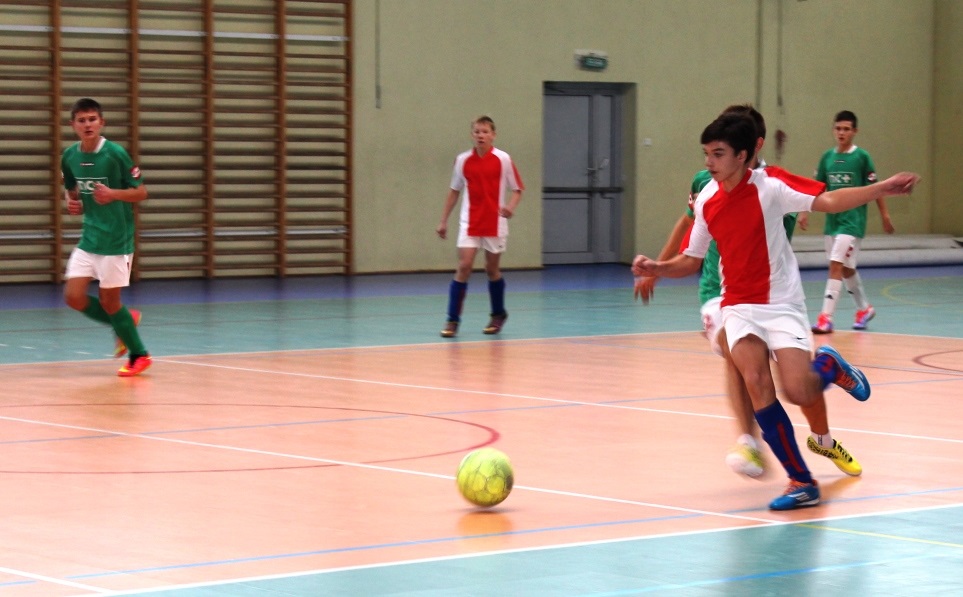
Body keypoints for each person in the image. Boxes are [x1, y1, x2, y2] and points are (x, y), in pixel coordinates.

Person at [632, 111, 919, 510]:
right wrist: (657, 268)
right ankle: (801, 481)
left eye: (718, 154)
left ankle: (829, 366)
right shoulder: (708, 199)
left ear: (743, 155)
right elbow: (691, 259)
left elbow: (829, 200)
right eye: (706, 154)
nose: (709, 162)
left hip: (781, 303)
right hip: (738, 305)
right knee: (755, 380)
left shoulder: (772, 186)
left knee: (798, 390)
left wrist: (882, 188)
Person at [62, 97, 152, 377]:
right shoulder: (70, 156)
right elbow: (72, 189)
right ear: (73, 125)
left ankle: (139, 355)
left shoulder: (115, 154)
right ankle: (124, 321)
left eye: (92, 119)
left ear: (101, 122)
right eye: (82, 120)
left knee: (109, 302)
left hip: (116, 240)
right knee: (73, 297)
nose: (87, 124)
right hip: (90, 237)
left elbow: (141, 192)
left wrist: (113, 194)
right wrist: (72, 202)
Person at [805, 110, 894, 334]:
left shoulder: (862, 157)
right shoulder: (827, 157)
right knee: (846, 269)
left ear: (854, 131)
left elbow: (876, 189)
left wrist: (885, 215)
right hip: (832, 222)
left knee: (835, 265)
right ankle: (864, 309)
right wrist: (805, 211)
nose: (841, 133)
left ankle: (825, 317)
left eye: (846, 129)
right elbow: (816, 188)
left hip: (852, 222)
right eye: (838, 129)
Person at [436, 115, 524, 338]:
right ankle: (452, 320)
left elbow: (517, 189)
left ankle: (498, 314)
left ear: (493, 135)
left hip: (495, 221)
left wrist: (510, 207)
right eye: (477, 132)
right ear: (472, 135)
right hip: (469, 221)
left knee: (491, 269)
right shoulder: (462, 160)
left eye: (485, 132)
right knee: (464, 266)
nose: (480, 135)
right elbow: (454, 191)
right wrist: (443, 220)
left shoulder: (503, 159)